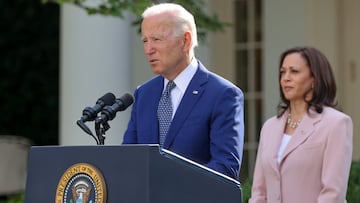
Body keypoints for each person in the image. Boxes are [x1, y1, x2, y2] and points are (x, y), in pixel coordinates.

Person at [122, 3, 244, 180]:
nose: (148, 49)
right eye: (145, 41)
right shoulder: (144, 94)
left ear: (185, 41)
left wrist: (169, 186)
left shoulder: (223, 95)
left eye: (156, 39)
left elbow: (225, 167)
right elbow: (128, 159)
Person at [249, 46, 353, 203]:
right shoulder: (270, 127)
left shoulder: (336, 124)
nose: (286, 78)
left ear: (315, 78)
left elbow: (333, 194)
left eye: (294, 71)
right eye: (283, 72)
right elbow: (259, 191)